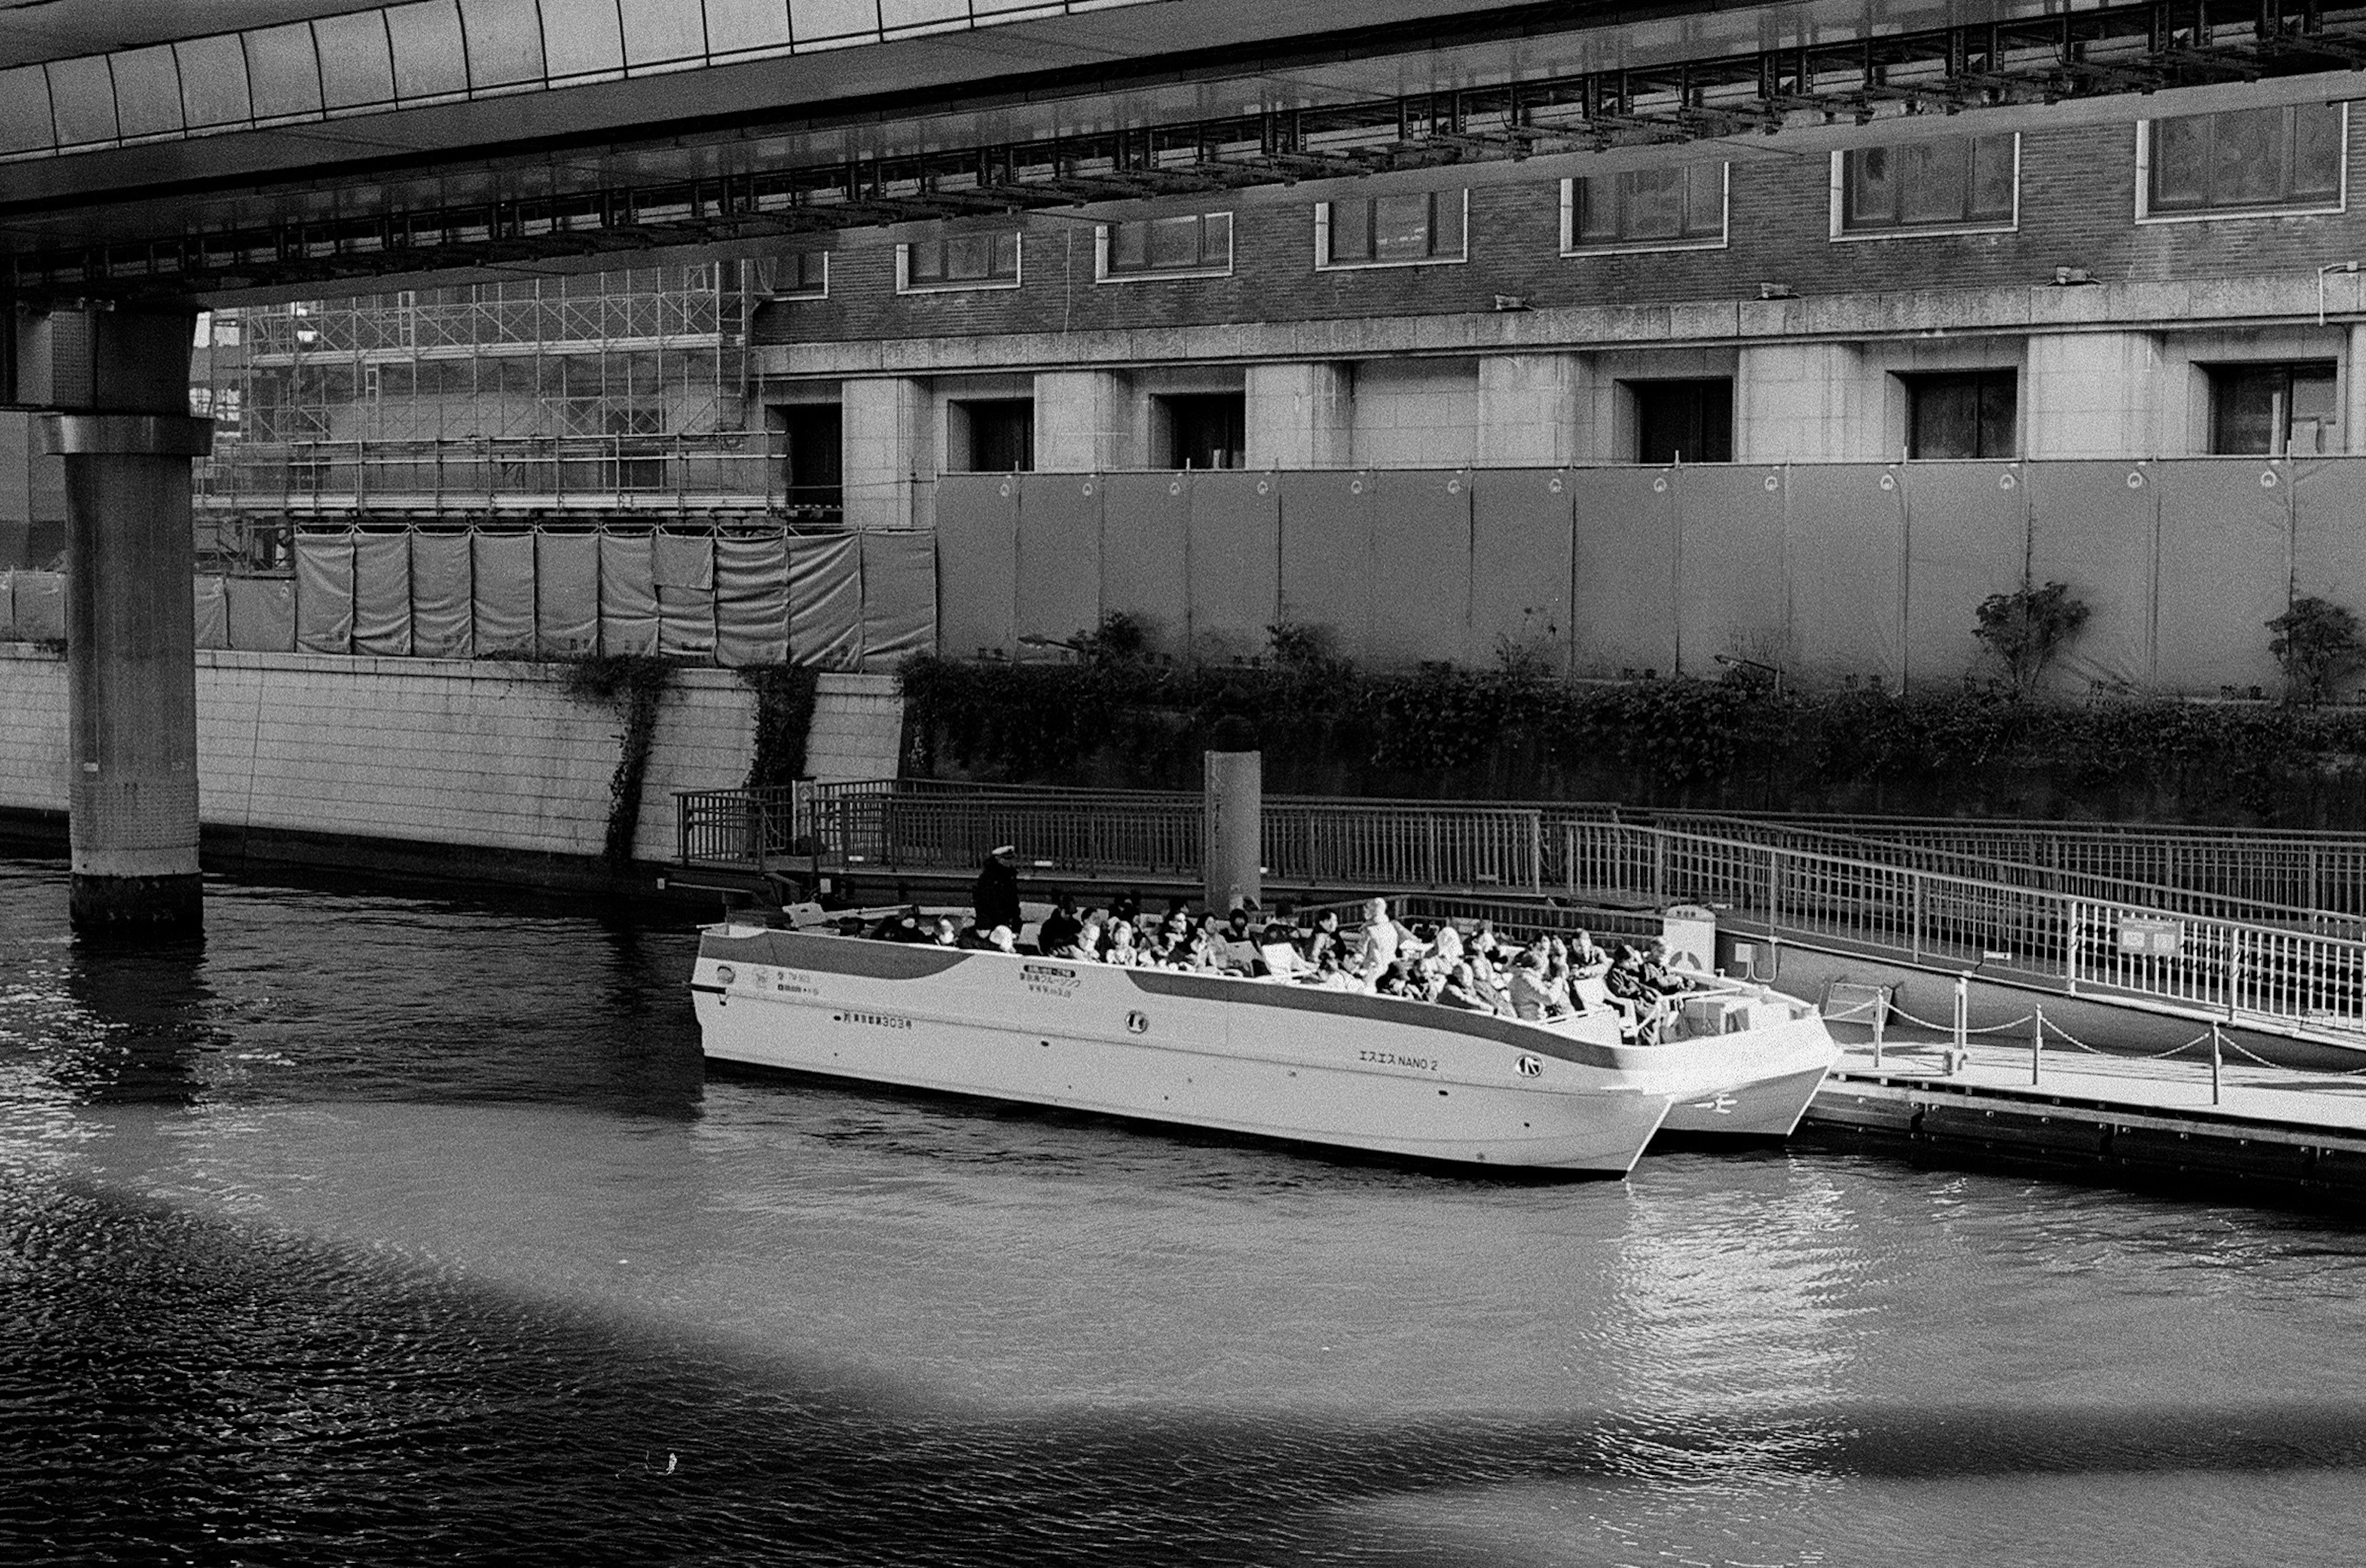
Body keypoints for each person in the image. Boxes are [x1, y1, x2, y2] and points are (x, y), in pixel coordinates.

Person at [972, 845, 1022, 936]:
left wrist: (1015, 920)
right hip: (990, 924)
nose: (1010, 862)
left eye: (1011, 859)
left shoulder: (1010, 875)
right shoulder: (988, 877)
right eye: (1006, 859)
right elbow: (985, 902)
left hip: (1007, 922)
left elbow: (1014, 900)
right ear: (998, 859)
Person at [1036, 893, 1083, 959]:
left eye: (1071, 914)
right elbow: (1044, 946)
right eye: (1067, 913)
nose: (1069, 916)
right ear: (1060, 909)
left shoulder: (1076, 925)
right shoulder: (1049, 925)